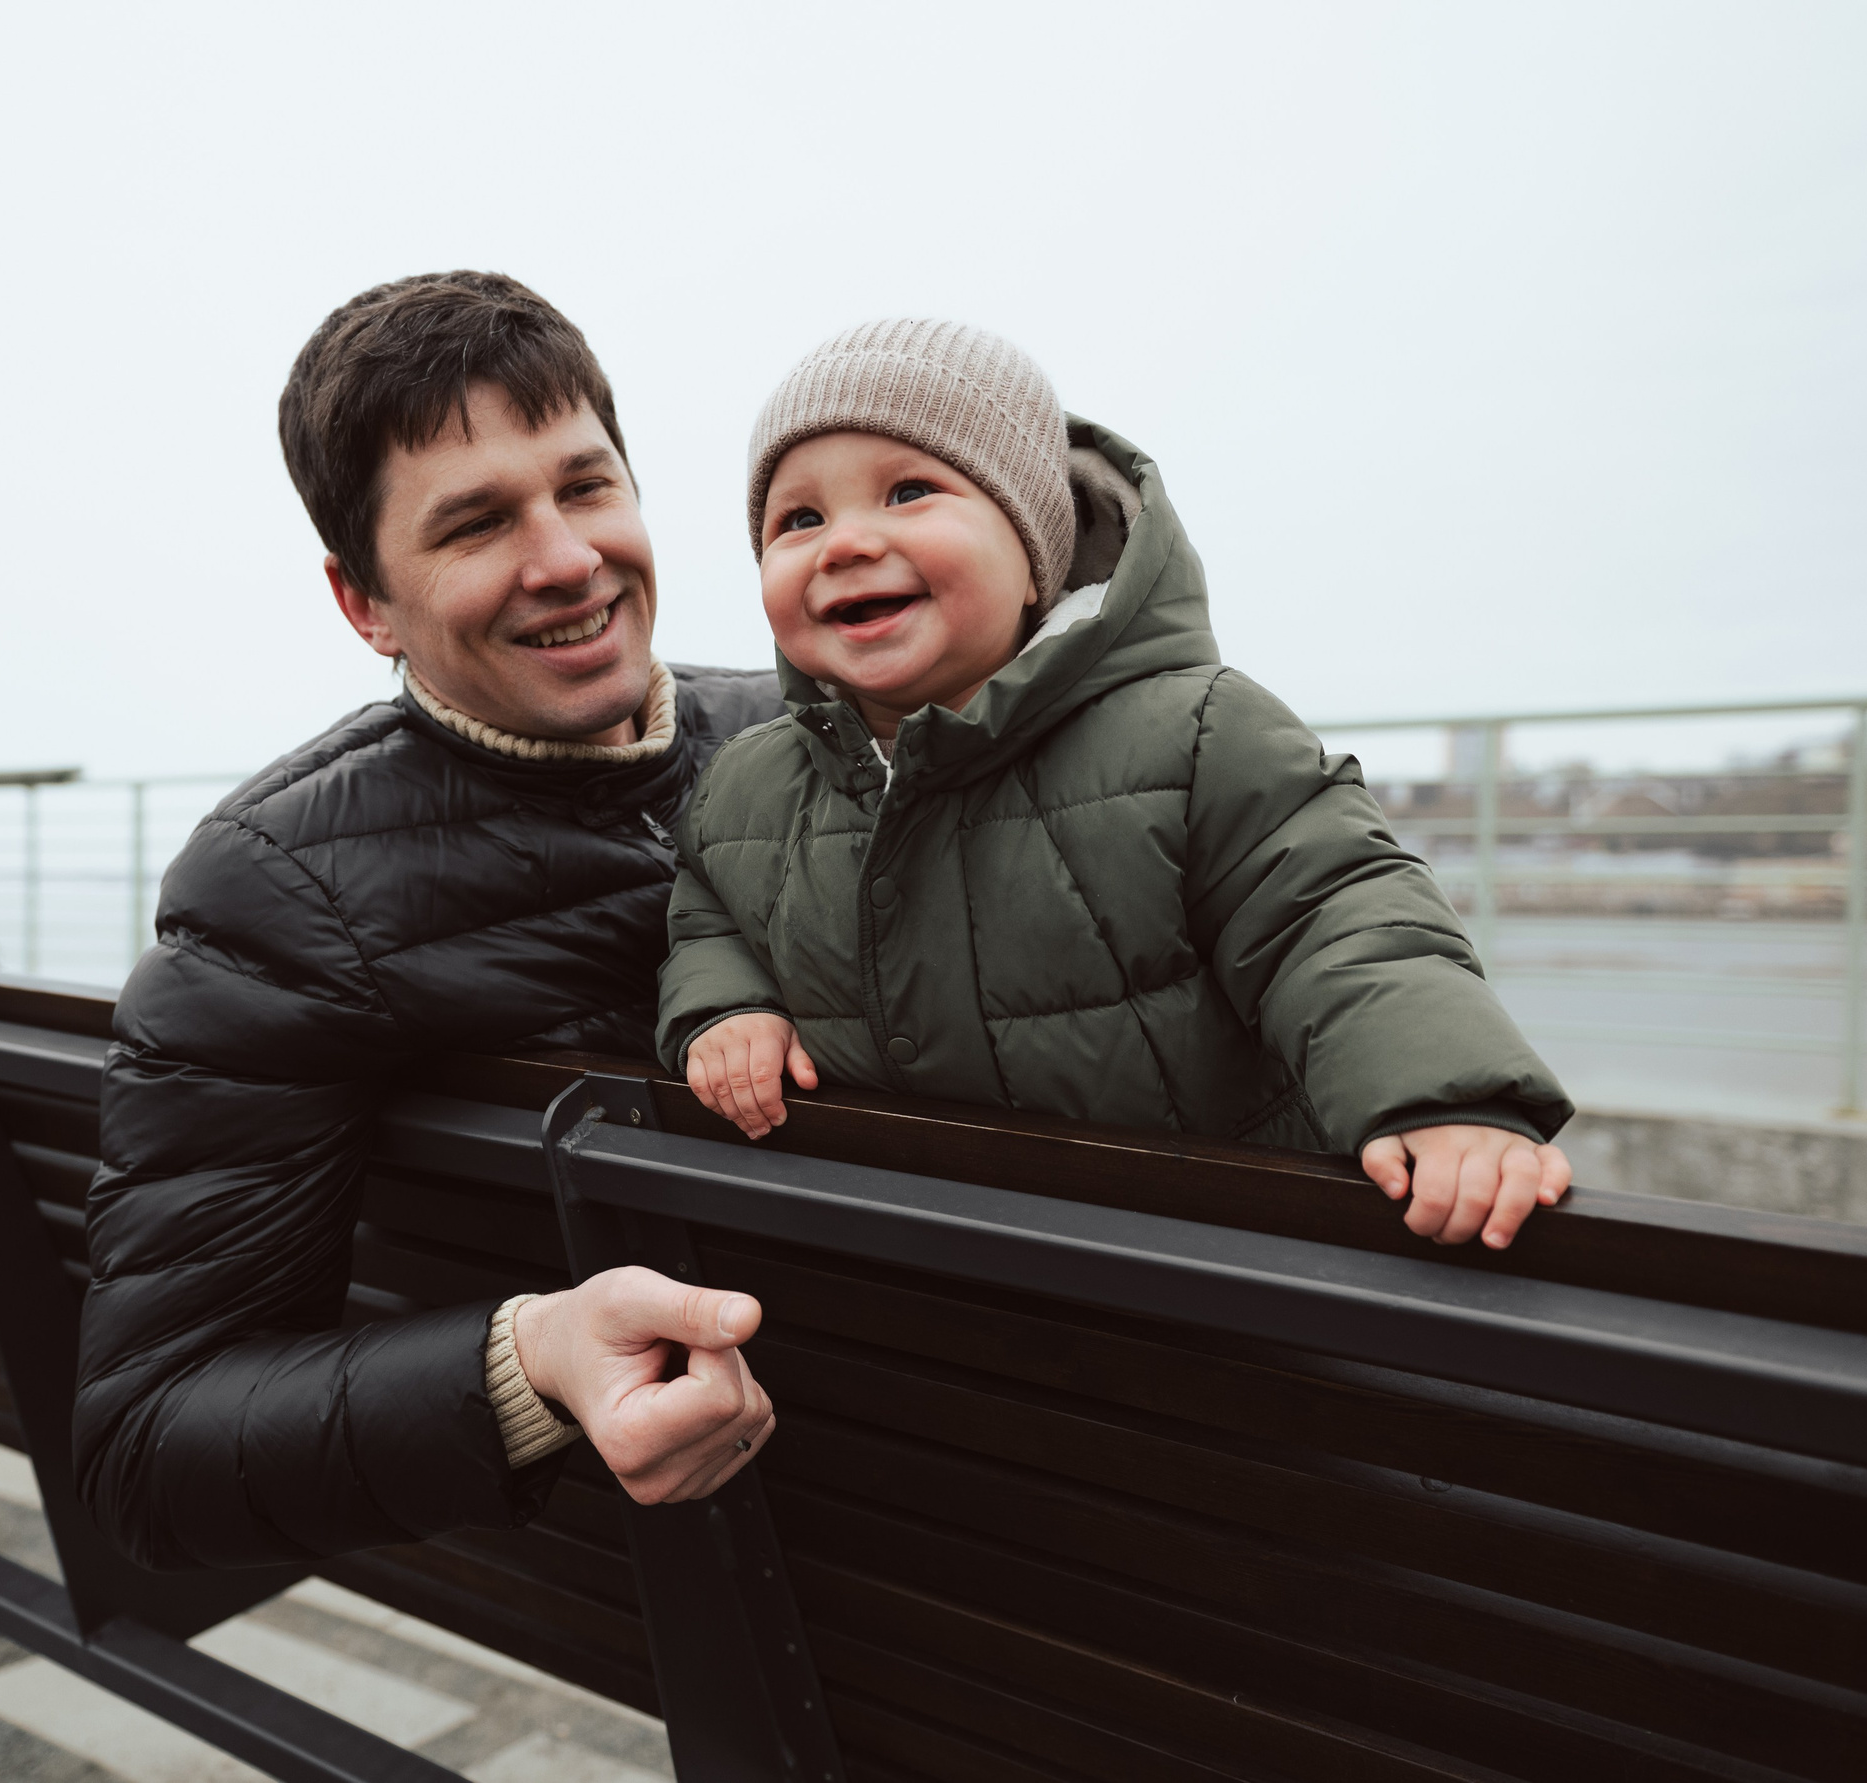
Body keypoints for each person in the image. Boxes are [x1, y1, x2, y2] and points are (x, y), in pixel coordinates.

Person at [74, 272, 786, 1572]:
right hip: (745, 1559)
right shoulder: (284, 889)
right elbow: (148, 1445)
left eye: (585, 485)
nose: (567, 557)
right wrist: (533, 1358)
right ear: (364, 603)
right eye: (476, 524)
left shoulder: (821, 731)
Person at [662, 319, 1576, 1251]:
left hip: (1206, 1263)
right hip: (918, 1267)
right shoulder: (751, 782)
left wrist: (1441, 1095)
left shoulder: (1197, 734)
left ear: (1034, 558)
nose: (846, 541)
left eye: (909, 491)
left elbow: (1336, 917)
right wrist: (728, 1006)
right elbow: (711, 907)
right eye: (799, 519)